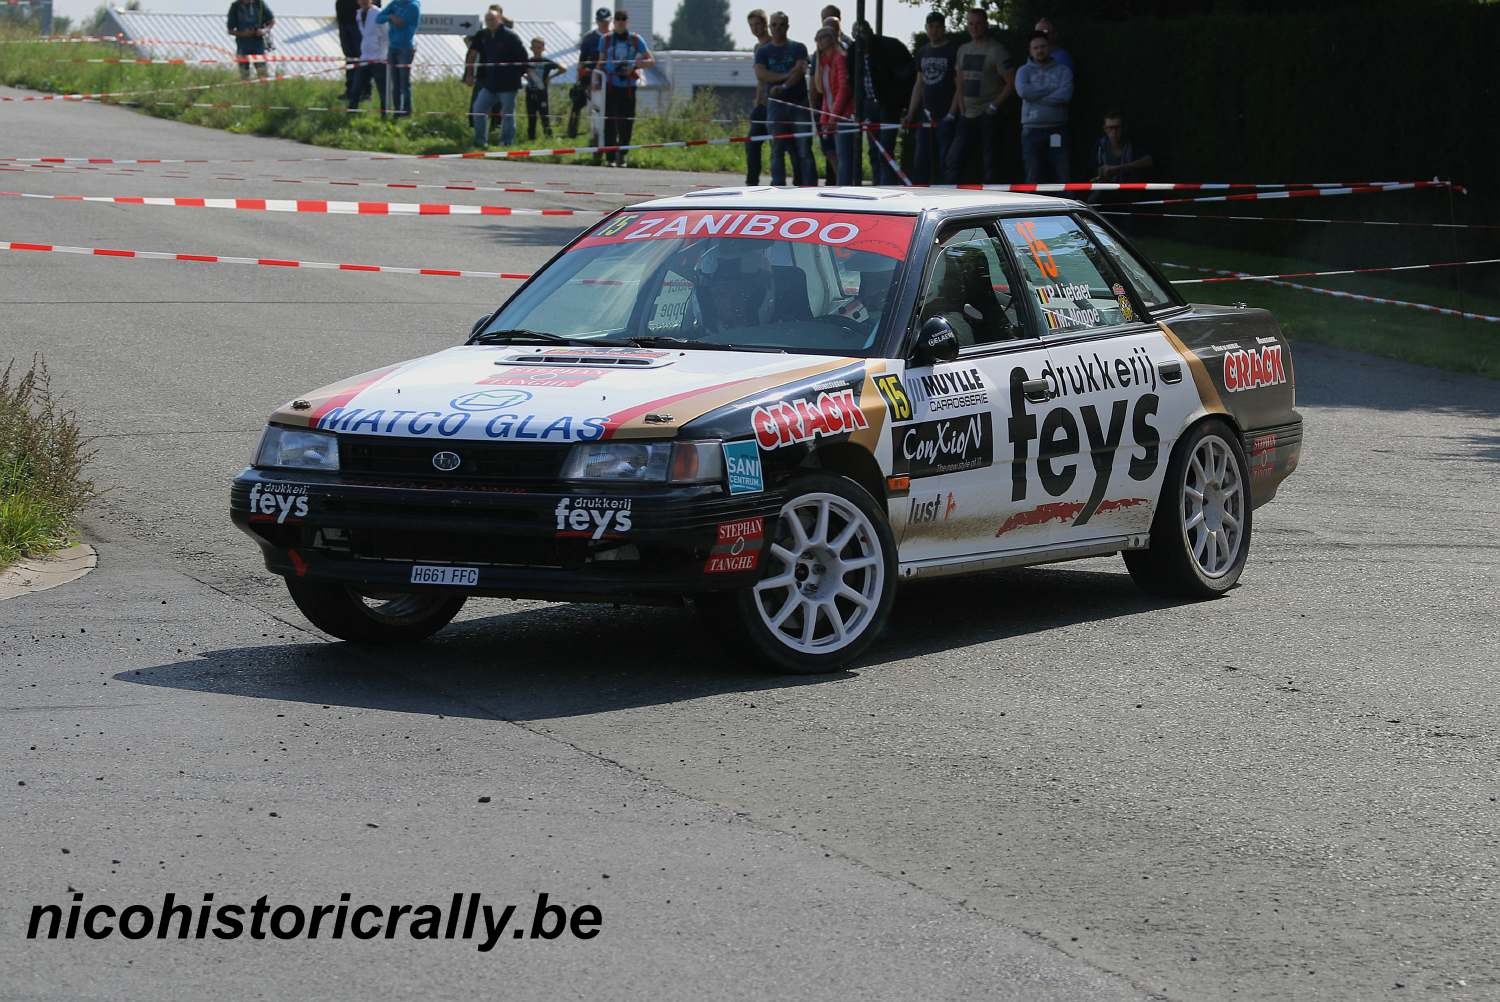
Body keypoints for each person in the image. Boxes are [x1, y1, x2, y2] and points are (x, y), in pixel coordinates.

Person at [944, 6, 1011, 184]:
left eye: (978, 24)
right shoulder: (962, 50)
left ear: (986, 25)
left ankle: (994, 201)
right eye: (971, 24)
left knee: (990, 162)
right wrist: (959, 108)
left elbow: (1011, 83)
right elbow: (959, 80)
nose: (974, 27)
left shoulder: (997, 50)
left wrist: (993, 106)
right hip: (966, 114)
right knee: (954, 159)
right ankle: (948, 197)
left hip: (987, 114)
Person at [848, 19, 912, 186]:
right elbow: (853, 81)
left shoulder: (889, 47)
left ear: (870, 32)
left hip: (888, 105)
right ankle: (878, 184)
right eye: (856, 35)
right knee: (874, 150)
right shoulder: (854, 52)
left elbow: (905, 75)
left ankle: (887, 185)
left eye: (863, 33)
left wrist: (900, 102)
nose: (861, 38)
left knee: (885, 149)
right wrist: (858, 107)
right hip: (868, 105)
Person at [754, 11, 814, 187]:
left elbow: (800, 70)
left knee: (803, 149)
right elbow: (761, 73)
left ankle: (808, 186)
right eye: (774, 25)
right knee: (777, 149)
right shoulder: (763, 51)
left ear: (787, 26)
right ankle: (778, 186)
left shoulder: (798, 48)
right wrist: (786, 75)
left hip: (799, 104)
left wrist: (784, 86)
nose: (777, 29)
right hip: (776, 106)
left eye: (781, 25)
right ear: (770, 27)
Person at [905, 11, 957, 186]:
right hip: (925, 115)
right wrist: (911, 112)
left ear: (943, 28)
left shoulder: (953, 50)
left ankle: (946, 192)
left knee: (945, 159)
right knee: (921, 158)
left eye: (937, 27)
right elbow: (918, 84)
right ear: (926, 29)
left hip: (946, 113)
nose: (934, 30)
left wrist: (952, 113)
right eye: (930, 27)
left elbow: (959, 85)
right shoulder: (923, 51)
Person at [1015, 29, 1073, 183]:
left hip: (1056, 131)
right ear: (1030, 50)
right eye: (1036, 48)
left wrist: (1036, 97)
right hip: (1031, 131)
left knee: (1061, 172)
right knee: (1032, 173)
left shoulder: (1063, 70)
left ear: (1049, 47)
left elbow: (1065, 95)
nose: (1040, 50)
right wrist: (1051, 90)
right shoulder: (1023, 71)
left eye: (1043, 46)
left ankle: (1067, 205)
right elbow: (1023, 92)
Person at [599, 9, 653, 167]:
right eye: (618, 19)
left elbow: (651, 60)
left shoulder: (636, 39)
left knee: (626, 122)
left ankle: (622, 155)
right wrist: (593, 82)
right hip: (610, 86)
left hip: (628, 86)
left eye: (624, 19)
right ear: (614, 22)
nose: (621, 22)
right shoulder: (606, 39)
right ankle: (609, 157)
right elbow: (600, 62)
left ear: (627, 22)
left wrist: (635, 65)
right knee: (609, 121)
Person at [466, 7, 527, 147]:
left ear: (499, 19)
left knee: (507, 114)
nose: (490, 22)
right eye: (487, 20)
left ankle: (506, 142)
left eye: (492, 19)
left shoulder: (511, 36)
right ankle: (480, 141)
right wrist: (469, 74)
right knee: (478, 109)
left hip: (508, 84)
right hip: (490, 83)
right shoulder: (483, 35)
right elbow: (472, 54)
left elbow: (523, 58)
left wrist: (517, 74)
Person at [814, 25, 852, 185]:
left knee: (844, 157)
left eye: (822, 37)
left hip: (844, 116)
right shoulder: (825, 62)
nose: (819, 42)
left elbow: (843, 89)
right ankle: (841, 185)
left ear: (831, 39)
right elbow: (825, 93)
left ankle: (845, 188)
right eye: (818, 39)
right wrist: (824, 119)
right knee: (833, 153)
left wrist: (833, 118)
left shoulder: (840, 58)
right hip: (832, 116)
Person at [568, 8, 610, 138]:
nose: (604, 24)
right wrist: (579, 77)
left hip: (608, 77)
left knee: (604, 106)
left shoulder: (614, 37)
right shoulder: (589, 38)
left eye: (606, 21)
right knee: (578, 103)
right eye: (601, 21)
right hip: (589, 76)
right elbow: (582, 60)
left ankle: (602, 133)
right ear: (597, 21)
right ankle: (572, 132)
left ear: (610, 21)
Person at [376, 0, 420, 117]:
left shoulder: (413, 6)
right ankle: (397, 110)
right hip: (393, 47)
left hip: (405, 48)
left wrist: (392, 18)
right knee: (395, 82)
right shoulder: (394, 3)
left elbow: (401, 22)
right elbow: (379, 18)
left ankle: (406, 111)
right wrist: (390, 16)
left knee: (404, 82)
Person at [744, 8, 772, 185]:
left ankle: (778, 181)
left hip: (774, 103)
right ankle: (752, 180)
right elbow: (759, 80)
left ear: (765, 24)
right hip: (761, 104)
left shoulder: (772, 44)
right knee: (752, 142)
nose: (755, 28)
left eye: (758, 24)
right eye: (752, 25)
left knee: (778, 145)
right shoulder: (757, 47)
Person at [349, 0, 387, 114]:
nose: (363, 1)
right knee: (356, 87)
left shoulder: (379, 13)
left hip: (379, 58)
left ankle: (384, 114)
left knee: (382, 90)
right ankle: (351, 113)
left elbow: (386, 35)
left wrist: (383, 54)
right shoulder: (358, 14)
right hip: (364, 57)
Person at [1093, 111, 1153, 183]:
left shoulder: (1132, 143)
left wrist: (1117, 169)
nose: (1114, 131)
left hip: (1129, 189)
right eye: (1110, 128)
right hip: (1106, 189)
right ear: (1105, 129)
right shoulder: (1100, 145)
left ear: (1124, 127)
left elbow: (1148, 160)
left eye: (1117, 127)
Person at [524, 37, 562, 140]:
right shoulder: (528, 61)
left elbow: (563, 68)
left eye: (539, 47)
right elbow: (518, 70)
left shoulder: (546, 61)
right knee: (531, 116)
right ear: (531, 48)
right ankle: (531, 139)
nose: (537, 49)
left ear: (543, 48)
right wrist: (526, 77)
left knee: (544, 116)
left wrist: (550, 77)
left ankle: (548, 138)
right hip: (530, 92)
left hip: (542, 93)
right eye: (535, 47)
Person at [226, 0, 274, 80]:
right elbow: (230, 30)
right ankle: (246, 91)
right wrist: (244, 34)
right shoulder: (235, 6)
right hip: (243, 45)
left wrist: (263, 31)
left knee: (262, 72)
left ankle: (264, 91)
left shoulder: (259, 4)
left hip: (258, 44)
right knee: (244, 74)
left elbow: (271, 21)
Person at [335, 0, 363, 101]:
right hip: (344, 21)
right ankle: (350, 90)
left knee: (361, 58)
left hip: (357, 22)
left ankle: (364, 91)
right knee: (350, 58)